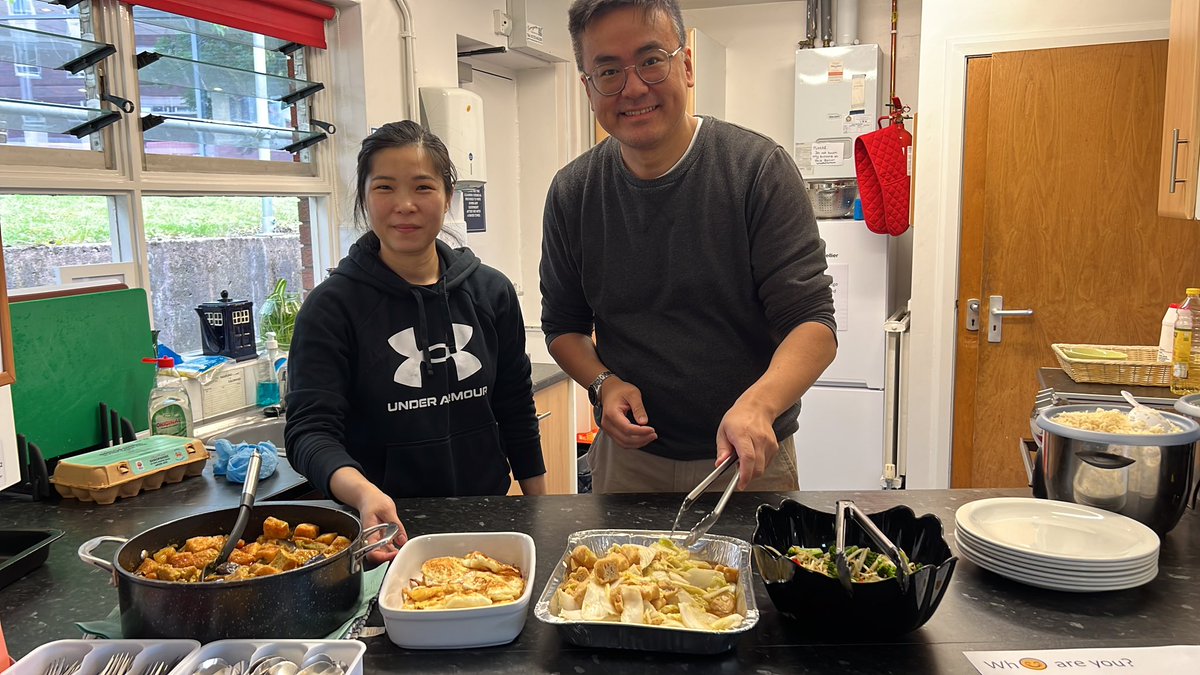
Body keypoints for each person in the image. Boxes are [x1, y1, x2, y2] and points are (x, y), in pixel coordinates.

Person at [540, 0, 837, 494]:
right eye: (608, 70)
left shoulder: (757, 170)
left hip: (747, 462)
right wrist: (602, 384)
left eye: (652, 60)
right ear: (588, 87)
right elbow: (563, 328)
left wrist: (759, 404)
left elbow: (814, 325)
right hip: (630, 463)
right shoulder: (573, 193)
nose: (633, 87)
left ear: (687, 65)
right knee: (613, 576)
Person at [286, 121, 547, 561]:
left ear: (447, 198)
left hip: (489, 517)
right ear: (364, 198)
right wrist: (365, 494)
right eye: (385, 187)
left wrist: (542, 510)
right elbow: (309, 433)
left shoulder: (491, 292)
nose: (404, 205)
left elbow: (515, 407)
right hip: (387, 530)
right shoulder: (332, 307)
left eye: (423, 187)